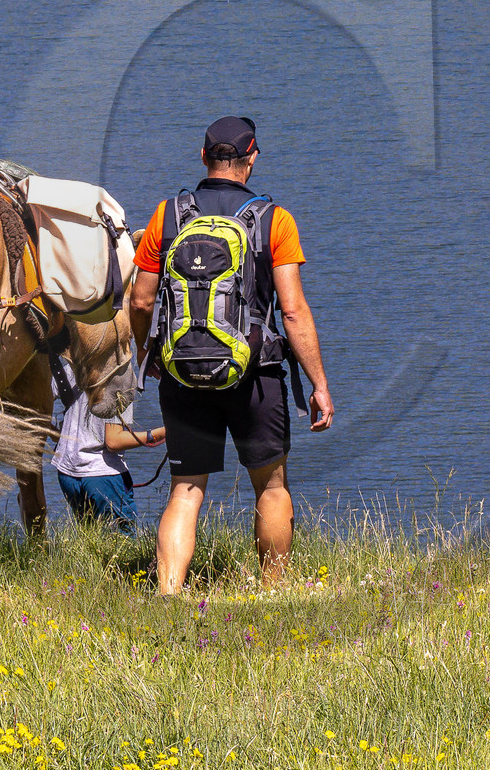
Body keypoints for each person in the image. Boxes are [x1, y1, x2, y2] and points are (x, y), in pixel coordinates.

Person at [128, 116, 334, 595]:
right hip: (255, 375)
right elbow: (294, 312)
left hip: (182, 373)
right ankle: (273, 592)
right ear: (253, 158)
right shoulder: (274, 220)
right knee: (272, 488)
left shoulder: (166, 215)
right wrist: (319, 383)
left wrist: (150, 354)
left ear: (203, 157)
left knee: (185, 491)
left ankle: (168, 595)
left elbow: (140, 301)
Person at [52, 364, 166, 532]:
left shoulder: (76, 364)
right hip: (103, 475)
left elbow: (37, 401)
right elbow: (113, 441)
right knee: (124, 546)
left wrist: (57, 433)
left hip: (67, 473)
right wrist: (164, 432)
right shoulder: (121, 373)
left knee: (90, 540)